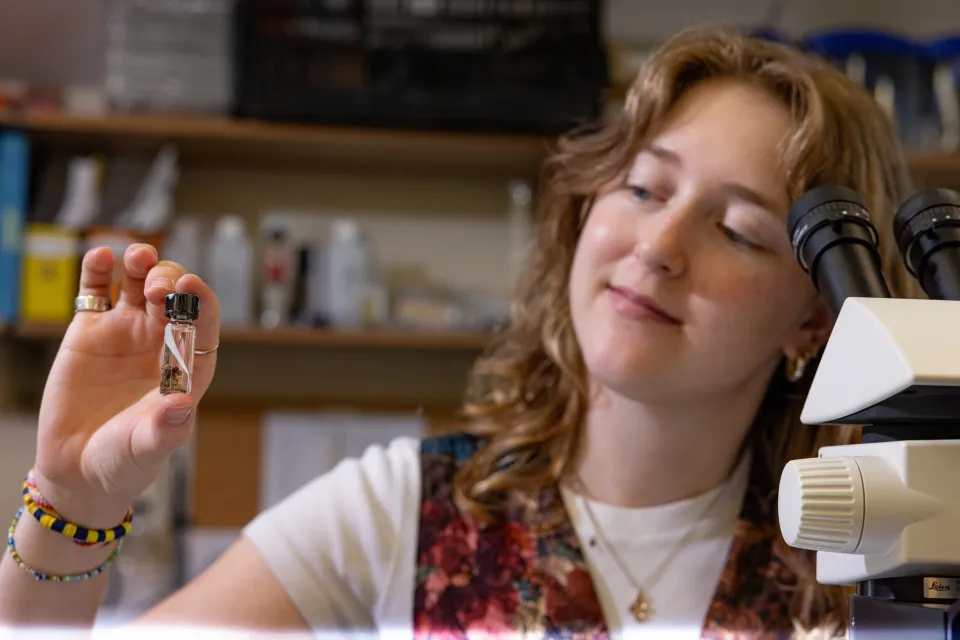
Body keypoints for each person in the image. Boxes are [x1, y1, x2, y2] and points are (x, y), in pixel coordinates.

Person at [0, 26, 919, 639]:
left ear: (814, 316)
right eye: (642, 187)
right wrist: (72, 503)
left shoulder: (874, 567)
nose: (658, 247)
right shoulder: (407, 506)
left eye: (739, 231)